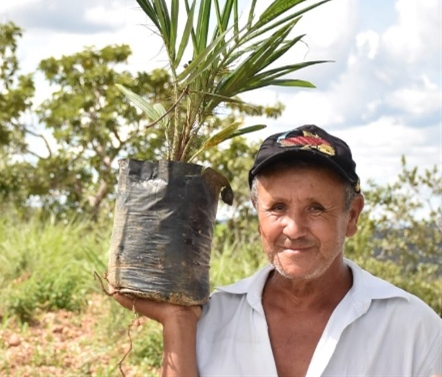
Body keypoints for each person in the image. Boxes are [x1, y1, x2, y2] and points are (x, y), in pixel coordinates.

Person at [113, 124, 442, 377]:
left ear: (352, 216)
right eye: (277, 208)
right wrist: (177, 321)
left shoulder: (414, 328)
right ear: (258, 216)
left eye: (316, 208)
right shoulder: (212, 319)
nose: (294, 229)